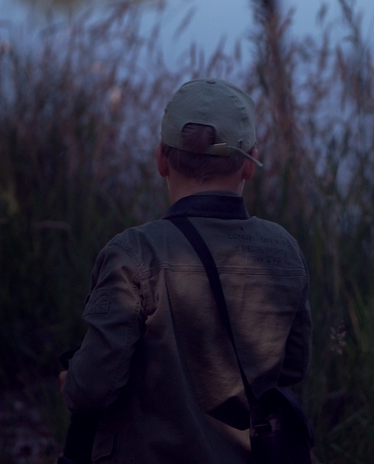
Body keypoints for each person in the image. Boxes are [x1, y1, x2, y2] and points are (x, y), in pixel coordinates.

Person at [62, 78, 312, 463]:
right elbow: (292, 364)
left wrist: (71, 380)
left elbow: (91, 388)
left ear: (161, 159)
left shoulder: (134, 253)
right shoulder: (284, 250)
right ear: (249, 165)